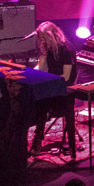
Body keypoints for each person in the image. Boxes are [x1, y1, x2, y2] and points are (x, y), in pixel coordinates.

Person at [30, 21, 78, 156]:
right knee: (35, 95)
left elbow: (67, 76)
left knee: (41, 101)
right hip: (51, 82)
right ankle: (37, 136)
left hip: (64, 86)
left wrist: (48, 82)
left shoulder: (67, 50)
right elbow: (42, 68)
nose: (42, 42)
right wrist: (34, 70)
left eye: (44, 39)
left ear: (51, 35)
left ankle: (37, 138)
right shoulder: (49, 48)